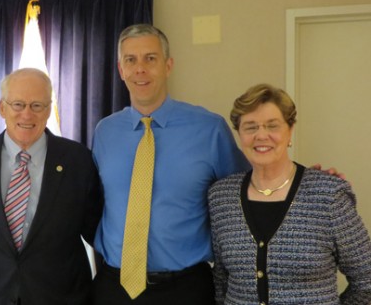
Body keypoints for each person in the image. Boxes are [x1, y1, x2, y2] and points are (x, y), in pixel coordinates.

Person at [91, 23, 250, 305]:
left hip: (185, 289)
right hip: (114, 288)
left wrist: (301, 180)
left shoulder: (210, 129)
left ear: (168, 65)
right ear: (121, 69)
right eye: (131, 60)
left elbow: (247, 195)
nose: (140, 69)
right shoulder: (105, 132)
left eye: (150, 58)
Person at [0, 67, 103, 305]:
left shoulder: (78, 160)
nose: (27, 115)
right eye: (18, 104)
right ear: (2, 108)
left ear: (49, 110)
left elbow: (96, 230)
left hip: (62, 297)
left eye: (37, 105)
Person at [208, 84, 371, 304]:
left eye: (272, 126)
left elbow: (366, 281)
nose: (261, 135)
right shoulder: (221, 198)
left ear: (290, 129)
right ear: (239, 133)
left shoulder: (328, 196)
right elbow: (221, 283)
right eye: (250, 127)